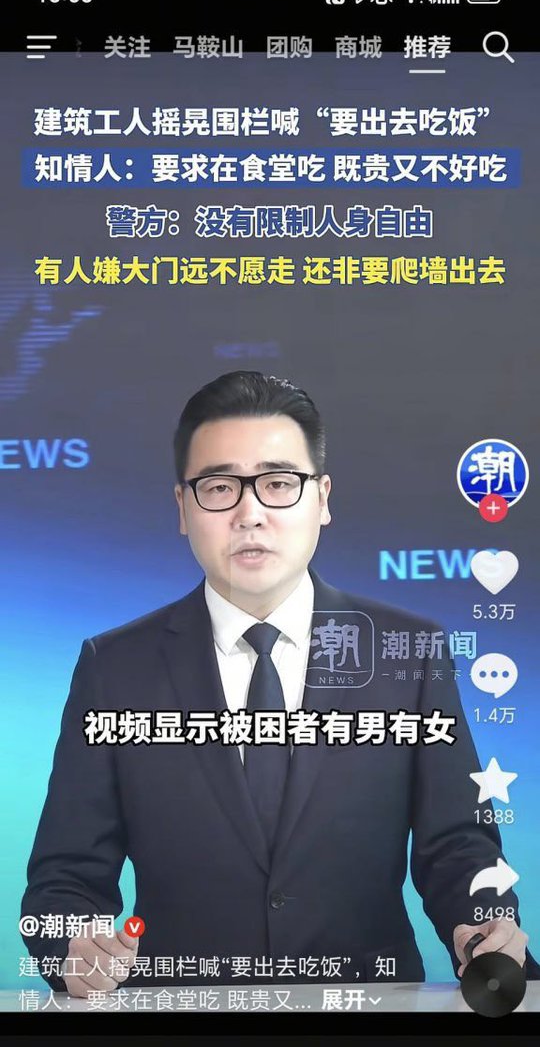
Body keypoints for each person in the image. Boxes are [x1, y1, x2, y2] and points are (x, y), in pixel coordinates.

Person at [21, 371, 539, 996]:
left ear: (322, 498)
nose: (250, 514)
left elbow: (457, 844)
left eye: (278, 483)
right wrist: (73, 946)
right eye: (219, 487)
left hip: (368, 1013)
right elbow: (65, 875)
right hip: (181, 1017)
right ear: (183, 507)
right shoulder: (115, 667)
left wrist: (481, 927)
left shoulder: (410, 653)